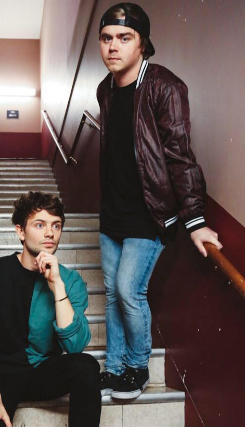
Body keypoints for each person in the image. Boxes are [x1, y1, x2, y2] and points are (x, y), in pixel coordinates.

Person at [96, 3, 223, 399]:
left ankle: (137, 368)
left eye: (124, 38)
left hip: (149, 214)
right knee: (111, 293)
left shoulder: (164, 86)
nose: (113, 46)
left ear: (143, 44)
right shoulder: (104, 89)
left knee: (128, 290)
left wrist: (195, 220)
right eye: (106, 38)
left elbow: (180, 155)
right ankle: (114, 366)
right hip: (112, 213)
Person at [0, 191, 101, 427]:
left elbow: (75, 346)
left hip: (41, 370)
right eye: (40, 225)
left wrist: (57, 285)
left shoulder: (70, 281)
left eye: (56, 225)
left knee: (87, 366)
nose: (50, 233)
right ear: (20, 231)